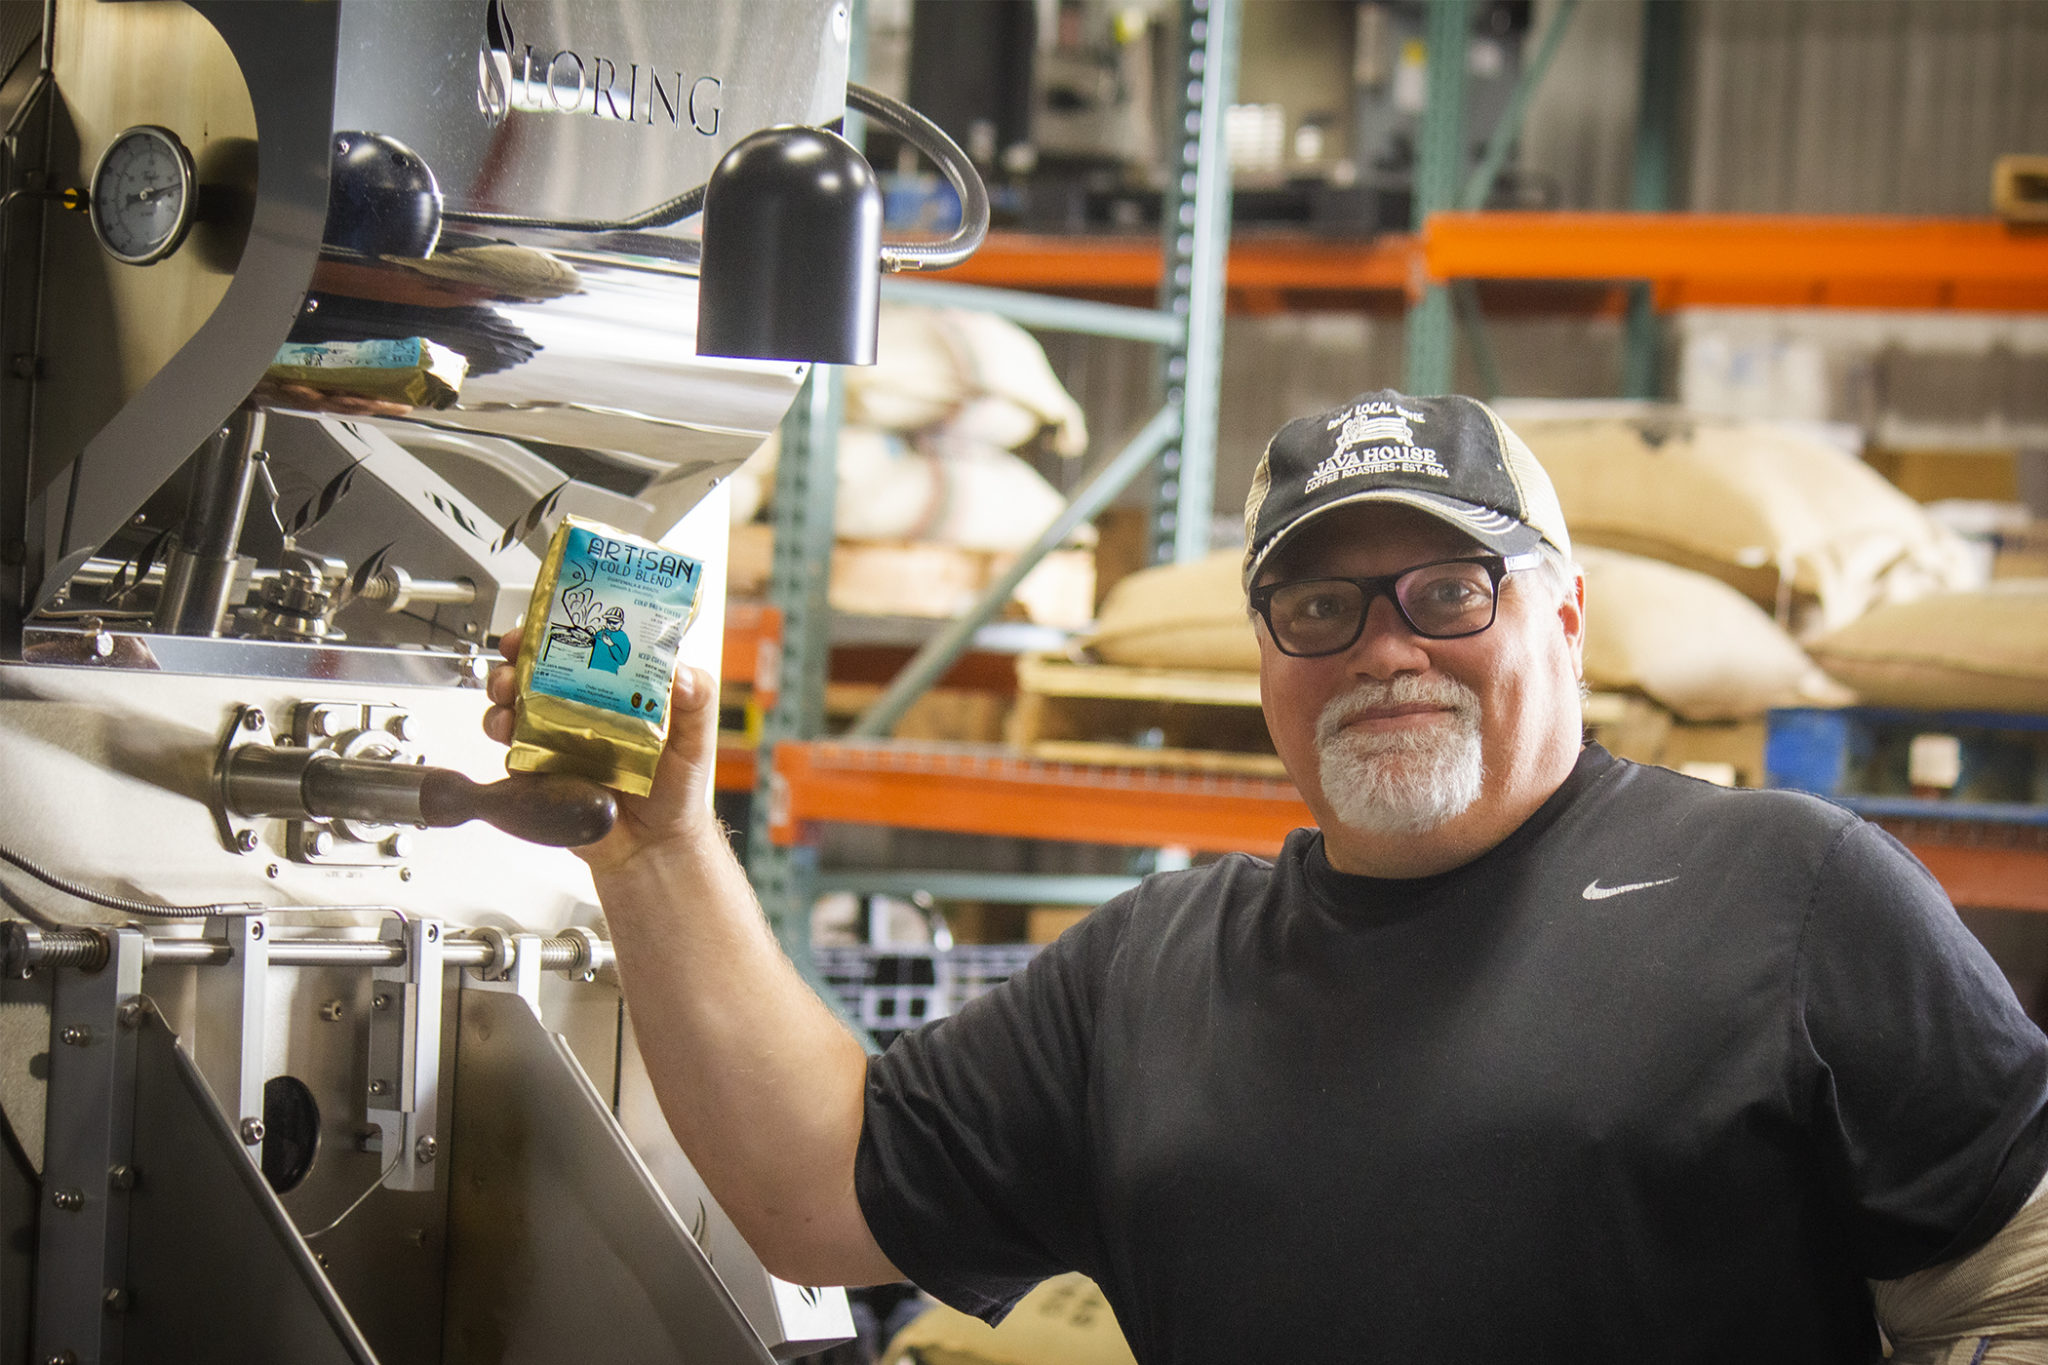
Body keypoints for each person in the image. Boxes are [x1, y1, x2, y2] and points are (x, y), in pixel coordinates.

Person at [484, 390, 2048, 1363]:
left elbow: (2013, 1290)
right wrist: (662, 848)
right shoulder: (1154, 973)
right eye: (1320, 607)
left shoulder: (1794, 895)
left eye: (1448, 590)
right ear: (1267, 663)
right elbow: (814, 1190)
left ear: (1564, 618)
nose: (1386, 648)